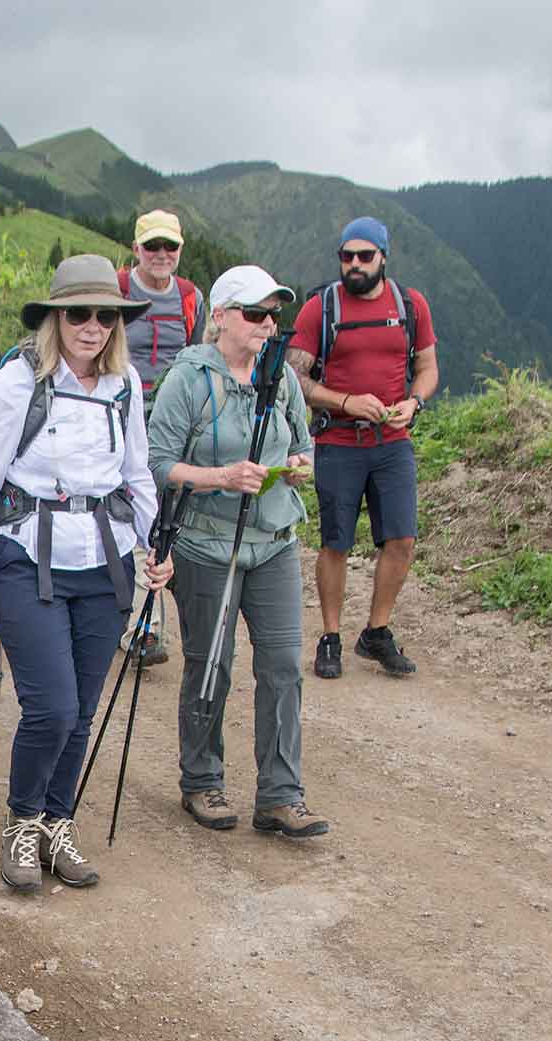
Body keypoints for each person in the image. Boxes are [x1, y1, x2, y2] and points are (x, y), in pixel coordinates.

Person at [0, 254, 169, 892]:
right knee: (53, 708)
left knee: (84, 710)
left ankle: (55, 822)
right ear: (56, 318)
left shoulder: (126, 385)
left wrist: (154, 544)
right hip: (27, 555)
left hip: (108, 558)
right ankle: (21, 820)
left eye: (104, 316)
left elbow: (137, 472)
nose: (92, 327)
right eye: (79, 314)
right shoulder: (20, 381)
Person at [147, 265, 329, 839]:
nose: (268, 324)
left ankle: (280, 795)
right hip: (206, 546)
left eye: (274, 315)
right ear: (220, 317)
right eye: (255, 314)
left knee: (282, 667)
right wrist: (220, 476)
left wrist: (299, 468)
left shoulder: (283, 380)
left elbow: (304, 446)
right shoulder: (188, 380)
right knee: (211, 665)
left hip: (273, 541)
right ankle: (201, 780)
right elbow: (156, 464)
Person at [287, 216, 440, 680]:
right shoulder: (320, 308)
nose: (354, 265)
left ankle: (377, 631)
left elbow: (428, 367)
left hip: (393, 442)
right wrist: (347, 401)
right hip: (337, 440)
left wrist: (413, 403)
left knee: (403, 540)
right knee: (335, 542)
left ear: (383, 258)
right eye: (346, 256)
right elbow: (295, 378)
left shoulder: (411, 306)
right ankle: (330, 636)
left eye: (364, 256)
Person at [113, 209, 205, 669]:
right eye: (153, 247)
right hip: (120, 416)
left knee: (165, 518)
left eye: (170, 247)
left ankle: (145, 626)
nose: (162, 255)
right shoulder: (117, 290)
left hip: (174, 423)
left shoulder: (190, 298)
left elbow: (198, 356)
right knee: (128, 511)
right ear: (136, 250)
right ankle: (133, 622)